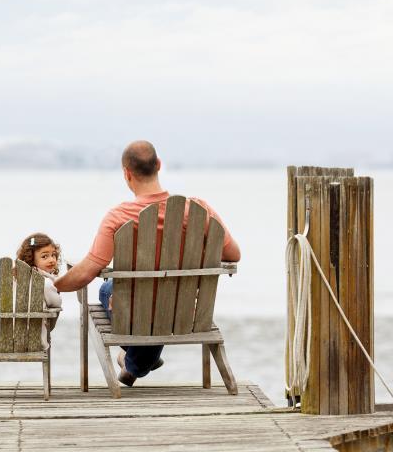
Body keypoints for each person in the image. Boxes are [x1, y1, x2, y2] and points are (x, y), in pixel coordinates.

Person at [54, 140, 240, 386]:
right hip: (181, 311)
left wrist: (52, 284)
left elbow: (87, 271)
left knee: (107, 289)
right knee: (154, 299)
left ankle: (133, 362)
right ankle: (136, 363)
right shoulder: (197, 209)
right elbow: (233, 254)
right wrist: (191, 255)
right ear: (159, 165)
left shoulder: (118, 217)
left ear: (126, 174)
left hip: (134, 315)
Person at [15, 233, 63, 349]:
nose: (51, 260)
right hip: (32, 341)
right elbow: (56, 302)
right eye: (44, 257)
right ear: (31, 259)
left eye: (53, 255)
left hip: (10, 336)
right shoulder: (43, 283)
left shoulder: (18, 279)